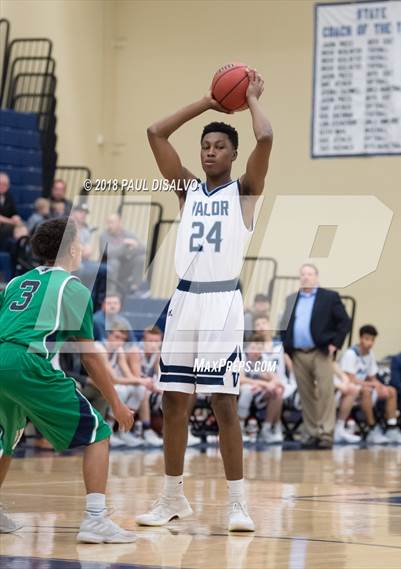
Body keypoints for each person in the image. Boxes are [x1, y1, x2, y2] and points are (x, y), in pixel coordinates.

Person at [136, 70, 272, 532]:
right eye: (205, 146)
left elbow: (267, 137)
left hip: (222, 305)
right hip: (184, 302)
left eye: (219, 147)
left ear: (234, 155)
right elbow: (155, 132)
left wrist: (249, 100)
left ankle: (238, 503)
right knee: (173, 403)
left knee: (224, 405)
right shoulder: (186, 190)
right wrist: (208, 102)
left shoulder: (245, 192)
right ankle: (172, 497)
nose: (210, 152)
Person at [0, 217, 137, 542]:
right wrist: (117, 404)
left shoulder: (18, 282)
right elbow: (90, 357)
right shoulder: (72, 288)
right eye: (80, 242)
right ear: (71, 248)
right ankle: (95, 519)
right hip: (26, 363)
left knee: (7, 439)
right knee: (99, 433)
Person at [280, 264, 351, 449]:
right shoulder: (291, 299)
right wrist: (287, 346)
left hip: (321, 351)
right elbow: (283, 324)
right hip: (298, 353)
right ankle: (312, 433)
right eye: (302, 274)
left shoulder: (329, 297)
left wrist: (335, 343)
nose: (305, 277)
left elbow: (344, 322)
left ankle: (326, 433)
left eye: (309, 274)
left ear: (316, 277)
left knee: (326, 393)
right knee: (306, 395)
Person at [341, 325, 401, 444]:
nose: (370, 343)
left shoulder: (370, 355)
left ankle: (391, 428)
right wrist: (371, 385)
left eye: (372, 340)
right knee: (366, 390)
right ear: (361, 338)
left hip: (365, 387)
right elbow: (350, 379)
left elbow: (372, 377)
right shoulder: (351, 354)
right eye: (367, 339)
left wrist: (380, 386)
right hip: (348, 391)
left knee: (391, 391)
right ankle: (372, 428)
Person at [238, 334, 284, 444]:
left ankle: (266, 428)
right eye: (253, 348)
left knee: (277, 391)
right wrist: (263, 383)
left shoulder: (264, 359)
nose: (255, 351)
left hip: (258, 391)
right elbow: (241, 379)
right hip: (241, 391)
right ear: (247, 348)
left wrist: (271, 384)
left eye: (259, 348)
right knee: (247, 390)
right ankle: (240, 428)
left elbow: (277, 380)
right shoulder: (242, 357)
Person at [99, 214, 147, 295]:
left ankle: (135, 288)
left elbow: (144, 249)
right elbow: (108, 254)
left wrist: (135, 246)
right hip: (108, 266)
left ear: (119, 223)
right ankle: (111, 291)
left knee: (140, 259)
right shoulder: (104, 236)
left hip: (125, 266)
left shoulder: (128, 234)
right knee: (114, 262)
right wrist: (123, 245)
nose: (109, 225)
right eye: (108, 223)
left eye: (111, 222)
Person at [333, 362, 362, 444]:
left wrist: (345, 385)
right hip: (307, 392)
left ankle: (339, 428)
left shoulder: (332, 363)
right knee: (329, 391)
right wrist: (338, 386)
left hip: (335, 390)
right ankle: (327, 429)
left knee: (352, 389)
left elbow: (345, 377)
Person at [0, 172, 22, 249]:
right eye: (1, 184)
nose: (2, 186)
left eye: (5, 184)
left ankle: (22, 249)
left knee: (22, 226)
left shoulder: (9, 196)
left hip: (7, 224)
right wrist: (11, 221)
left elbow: (14, 212)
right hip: (4, 224)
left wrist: (16, 217)